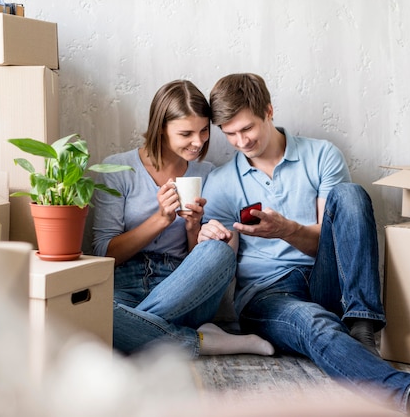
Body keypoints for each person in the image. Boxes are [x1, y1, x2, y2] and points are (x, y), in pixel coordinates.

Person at [199, 73, 410, 416]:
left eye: (247, 128)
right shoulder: (222, 182)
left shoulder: (321, 155)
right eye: (230, 134)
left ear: (269, 111)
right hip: (266, 296)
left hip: (324, 278)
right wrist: (208, 236)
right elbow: (223, 262)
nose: (240, 141)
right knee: (314, 322)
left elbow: (326, 245)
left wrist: (286, 230)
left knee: (351, 194)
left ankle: (362, 327)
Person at [91, 79, 274, 358]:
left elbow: (201, 261)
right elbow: (104, 254)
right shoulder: (119, 169)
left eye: (203, 131)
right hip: (124, 284)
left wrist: (194, 229)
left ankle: (137, 330)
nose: (198, 142)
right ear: (160, 129)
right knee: (97, 313)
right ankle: (203, 341)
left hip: (185, 288)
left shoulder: (211, 174)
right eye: (186, 133)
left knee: (221, 249)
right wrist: (161, 220)